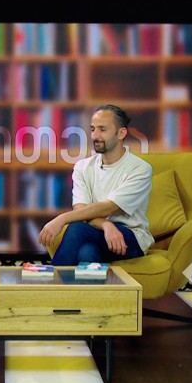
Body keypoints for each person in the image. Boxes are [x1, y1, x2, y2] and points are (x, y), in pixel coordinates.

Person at [38, 104, 154, 265]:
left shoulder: (139, 169)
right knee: (87, 252)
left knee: (77, 228)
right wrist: (106, 225)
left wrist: (62, 219)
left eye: (102, 129)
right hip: (97, 232)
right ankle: (85, 283)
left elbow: (109, 207)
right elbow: (81, 210)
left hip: (130, 238)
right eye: (93, 129)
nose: (95, 136)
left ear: (121, 133)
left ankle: (51, 279)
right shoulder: (83, 167)